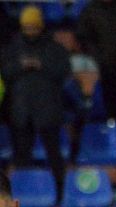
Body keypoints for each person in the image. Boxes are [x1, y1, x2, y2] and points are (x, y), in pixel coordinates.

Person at [1, 6, 71, 196]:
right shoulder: (12, 49)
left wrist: (41, 64)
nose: (31, 30)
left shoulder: (53, 47)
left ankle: (60, 192)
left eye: (34, 26)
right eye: (27, 27)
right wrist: (21, 66)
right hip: (21, 111)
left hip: (48, 110)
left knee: (53, 155)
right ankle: (23, 194)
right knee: (21, 158)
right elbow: (5, 72)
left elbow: (63, 70)